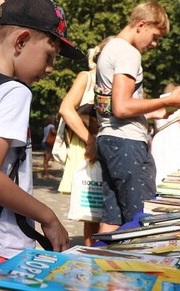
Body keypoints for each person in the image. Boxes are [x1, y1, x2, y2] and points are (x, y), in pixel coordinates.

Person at [0, 0, 81, 291]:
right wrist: (48, 217)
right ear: (21, 41)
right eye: (49, 56)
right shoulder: (15, 93)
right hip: (2, 252)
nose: (50, 68)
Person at [94, 0, 180, 234]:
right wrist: (167, 100)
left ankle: (98, 257)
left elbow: (115, 105)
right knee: (142, 224)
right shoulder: (128, 52)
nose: (154, 44)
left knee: (112, 220)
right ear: (142, 25)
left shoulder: (111, 48)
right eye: (155, 36)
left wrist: (164, 109)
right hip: (127, 144)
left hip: (110, 139)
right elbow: (122, 107)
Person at [57, 37, 112, 246]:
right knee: (93, 212)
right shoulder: (87, 77)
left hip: (108, 147)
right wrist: (90, 141)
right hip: (88, 147)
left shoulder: (120, 81)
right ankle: (91, 253)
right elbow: (66, 109)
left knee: (106, 210)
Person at [151, 83, 180, 184]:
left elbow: (156, 128)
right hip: (175, 140)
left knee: (159, 168)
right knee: (175, 169)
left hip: (159, 140)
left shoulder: (157, 108)